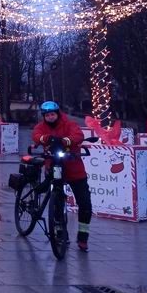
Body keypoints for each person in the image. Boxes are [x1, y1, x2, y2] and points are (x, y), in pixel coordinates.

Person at [32, 100, 91, 251]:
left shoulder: (69, 124)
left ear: (57, 114)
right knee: (57, 201)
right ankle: (60, 232)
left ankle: (83, 236)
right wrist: (46, 139)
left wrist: (66, 141)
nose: (50, 117)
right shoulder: (41, 127)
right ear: (44, 117)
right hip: (55, 166)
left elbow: (78, 135)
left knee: (84, 203)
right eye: (47, 115)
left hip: (74, 168)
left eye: (52, 114)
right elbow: (36, 135)